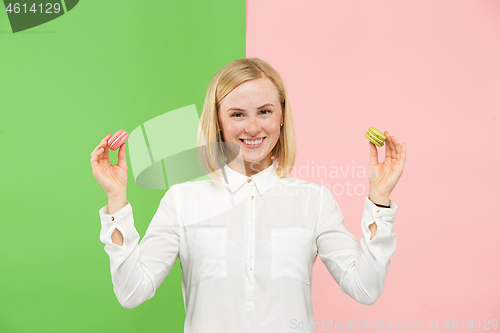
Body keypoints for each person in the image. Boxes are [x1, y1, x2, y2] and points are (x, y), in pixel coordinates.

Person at [90, 58, 406, 333]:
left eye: (264, 111)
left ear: (282, 116)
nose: (253, 127)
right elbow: (132, 292)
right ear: (218, 122)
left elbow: (365, 287)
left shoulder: (315, 201)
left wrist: (379, 197)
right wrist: (116, 198)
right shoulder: (182, 200)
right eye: (238, 114)